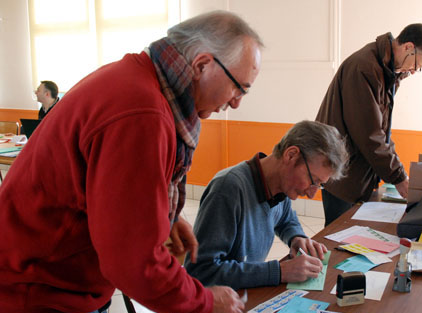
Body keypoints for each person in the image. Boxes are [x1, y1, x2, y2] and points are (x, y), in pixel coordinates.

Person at [0, 11, 263, 313]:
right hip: (37, 292)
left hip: (49, 279)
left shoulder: (137, 78)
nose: (236, 102)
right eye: (239, 88)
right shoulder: (143, 113)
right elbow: (132, 261)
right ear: (202, 65)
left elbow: (107, 194)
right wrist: (204, 301)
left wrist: (164, 217)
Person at [185, 121, 348, 290]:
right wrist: (278, 271)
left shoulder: (280, 185)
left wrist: (296, 237)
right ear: (291, 155)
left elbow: (285, 219)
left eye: (319, 185)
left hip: (245, 293)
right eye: (313, 181)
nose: (312, 193)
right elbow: (200, 271)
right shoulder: (228, 189)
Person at [316, 23, 422, 226]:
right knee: (335, 237)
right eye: (418, 65)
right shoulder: (364, 67)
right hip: (341, 172)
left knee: (354, 234)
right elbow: (370, 135)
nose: (414, 71)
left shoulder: (387, 71)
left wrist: (398, 173)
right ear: (409, 47)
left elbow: (382, 131)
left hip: (356, 171)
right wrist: (399, 176)